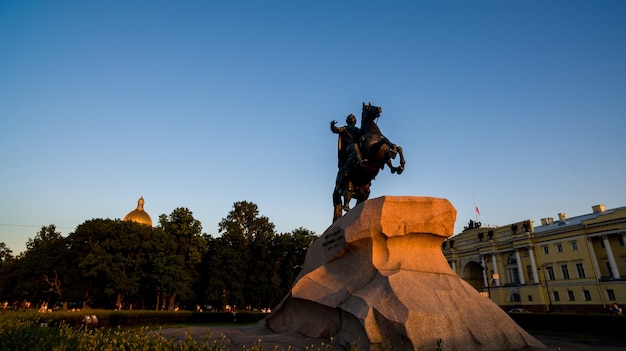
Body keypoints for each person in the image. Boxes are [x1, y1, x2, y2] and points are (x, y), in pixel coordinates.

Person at [331, 114, 366, 210]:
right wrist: (332, 126)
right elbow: (336, 130)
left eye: (354, 118)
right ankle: (360, 160)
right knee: (354, 146)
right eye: (351, 118)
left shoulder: (358, 130)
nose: (352, 119)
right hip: (348, 149)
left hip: (357, 149)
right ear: (347, 121)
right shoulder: (345, 128)